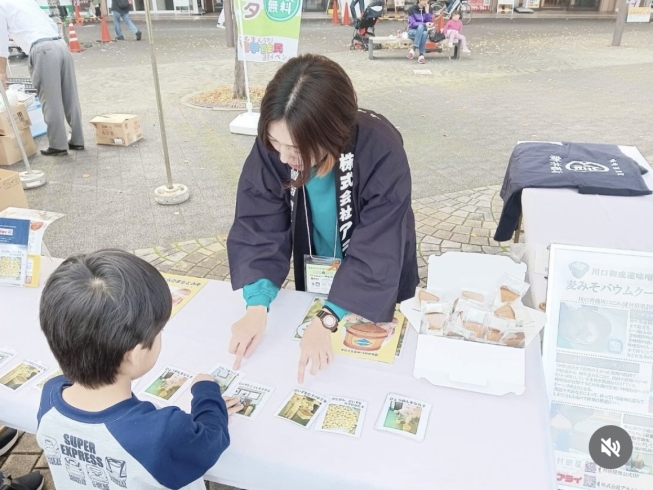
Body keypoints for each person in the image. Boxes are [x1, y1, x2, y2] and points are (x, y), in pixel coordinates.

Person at [227, 54, 418, 384]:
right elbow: (258, 223)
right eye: (275, 143)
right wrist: (257, 306)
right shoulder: (276, 150)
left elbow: (380, 246)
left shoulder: (381, 149)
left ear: (333, 133)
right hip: (317, 268)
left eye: (296, 148)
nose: (284, 157)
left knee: (373, 376)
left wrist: (328, 319)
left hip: (373, 283)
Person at [37, 249, 242, 489]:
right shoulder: (162, 431)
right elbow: (211, 440)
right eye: (159, 332)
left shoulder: (50, 395)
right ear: (135, 355)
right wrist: (207, 395)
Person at [0, 0, 84, 157]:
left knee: (50, 99)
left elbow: (1, 43)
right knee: (70, 96)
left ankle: (58, 145)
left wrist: (2, 72)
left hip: (42, 50)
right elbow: (50, 23)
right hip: (59, 44)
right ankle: (77, 139)